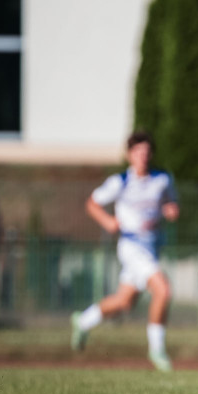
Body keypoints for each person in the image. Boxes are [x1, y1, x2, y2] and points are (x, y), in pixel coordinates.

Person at [71, 131, 179, 371]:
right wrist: (108, 221)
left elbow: (171, 204)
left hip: (151, 247)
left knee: (124, 302)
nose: (142, 156)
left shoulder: (162, 179)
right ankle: (157, 350)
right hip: (131, 247)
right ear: (130, 155)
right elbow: (92, 203)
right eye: (137, 151)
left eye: (146, 151)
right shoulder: (120, 181)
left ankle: (83, 321)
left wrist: (171, 210)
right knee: (163, 291)